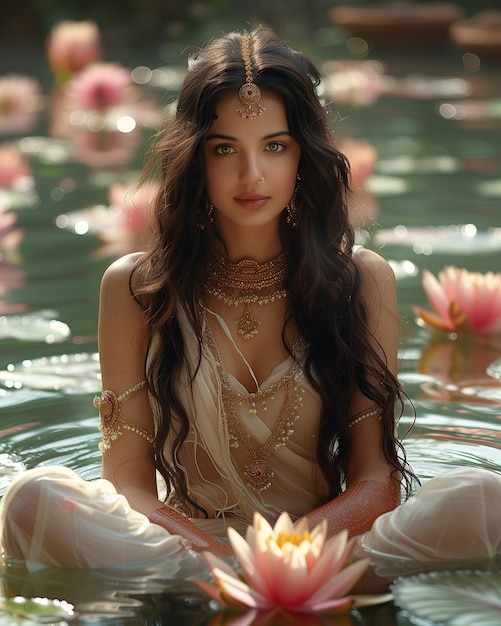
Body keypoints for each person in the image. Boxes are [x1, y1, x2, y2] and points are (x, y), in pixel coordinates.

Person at [1, 26, 500, 588]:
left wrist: (287, 554)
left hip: (323, 544)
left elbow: (376, 480)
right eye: (224, 149)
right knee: (32, 501)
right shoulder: (136, 288)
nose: (252, 175)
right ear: (193, 158)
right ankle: (217, 586)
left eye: (275, 146)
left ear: (303, 155)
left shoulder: (360, 280)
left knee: (484, 499)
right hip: (184, 547)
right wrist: (220, 563)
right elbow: (128, 482)